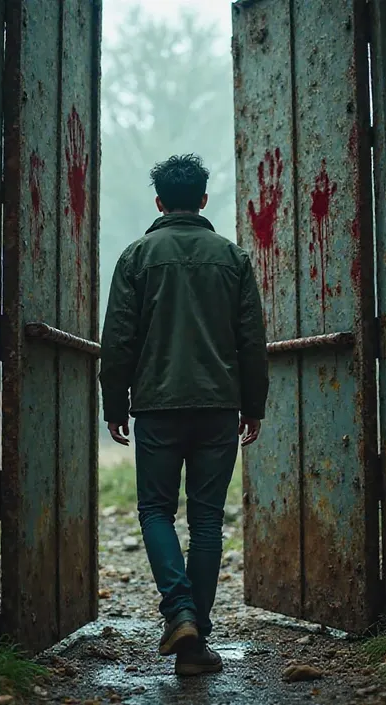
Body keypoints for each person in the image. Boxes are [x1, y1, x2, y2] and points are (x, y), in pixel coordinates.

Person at [100, 154, 269, 676]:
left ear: (159, 203)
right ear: (202, 200)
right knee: (208, 521)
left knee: (155, 511)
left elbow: (119, 339)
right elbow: (251, 343)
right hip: (219, 406)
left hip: (157, 404)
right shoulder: (233, 258)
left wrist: (114, 405)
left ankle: (179, 612)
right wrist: (253, 405)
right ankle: (194, 647)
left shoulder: (136, 257)